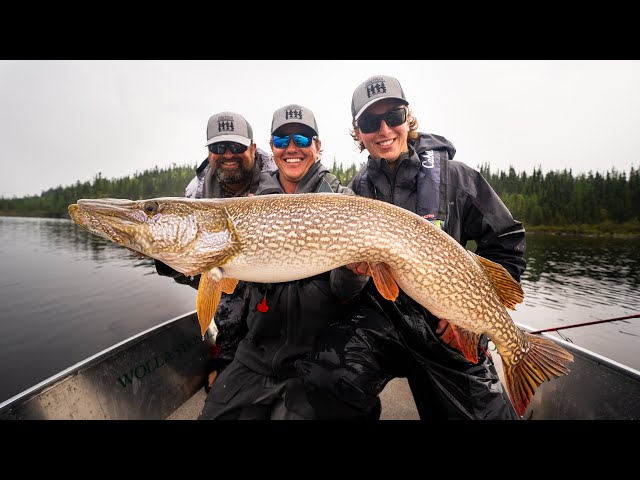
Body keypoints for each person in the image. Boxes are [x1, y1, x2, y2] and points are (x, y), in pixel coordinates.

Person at [296, 75, 527, 420]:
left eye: (395, 116)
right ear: (358, 133)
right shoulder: (354, 194)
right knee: (326, 375)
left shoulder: (457, 178)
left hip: (446, 330)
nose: (385, 129)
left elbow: (507, 243)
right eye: (372, 122)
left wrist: (473, 318)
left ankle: (518, 351)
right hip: (384, 324)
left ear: (409, 118)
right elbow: (345, 291)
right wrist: (351, 271)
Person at [197, 104, 356, 420]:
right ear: (272, 148)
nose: (292, 148)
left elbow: (346, 291)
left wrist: (357, 272)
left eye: (302, 138)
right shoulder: (252, 203)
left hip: (320, 354)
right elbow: (226, 283)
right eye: (282, 141)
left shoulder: (343, 199)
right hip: (258, 354)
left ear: (318, 145)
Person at [154, 111, 275, 385]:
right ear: (209, 152)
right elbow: (198, 272)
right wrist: (166, 259)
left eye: (237, 146)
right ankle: (229, 358)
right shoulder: (195, 196)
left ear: (253, 149)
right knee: (224, 290)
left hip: (278, 289)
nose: (228, 154)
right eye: (219, 147)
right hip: (229, 282)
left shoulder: (281, 178)